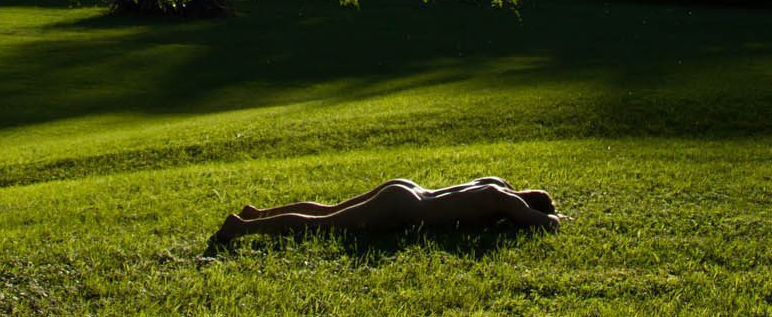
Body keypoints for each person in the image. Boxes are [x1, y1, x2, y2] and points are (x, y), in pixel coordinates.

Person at [210, 177, 561, 245]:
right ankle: (240, 227)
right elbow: (548, 224)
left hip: (409, 189)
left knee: (329, 210)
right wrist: (555, 217)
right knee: (324, 225)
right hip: (405, 207)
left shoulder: (495, 183)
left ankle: (258, 213)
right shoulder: (503, 200)